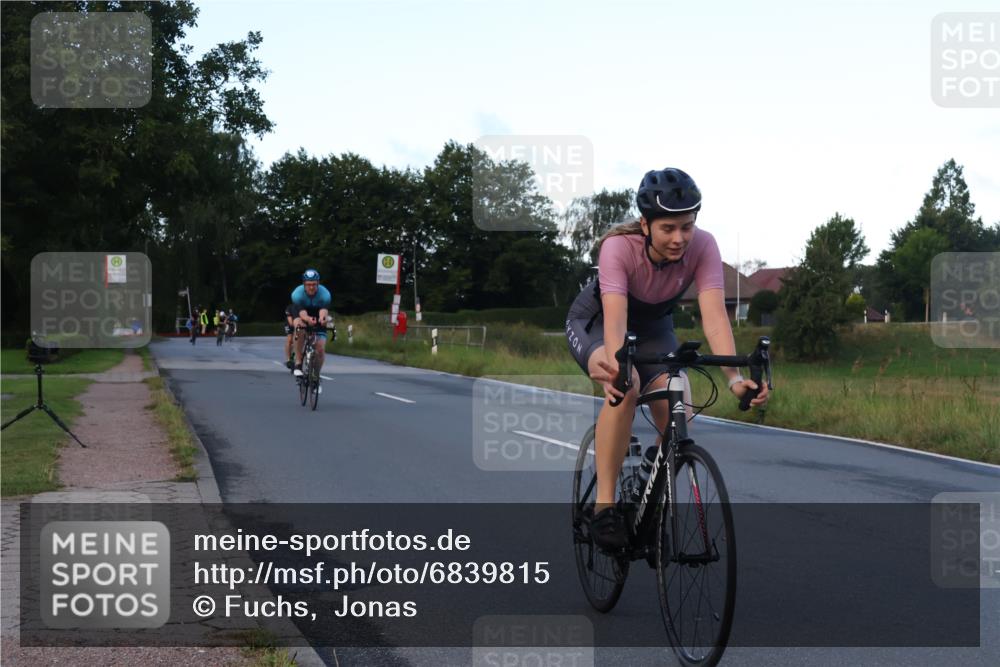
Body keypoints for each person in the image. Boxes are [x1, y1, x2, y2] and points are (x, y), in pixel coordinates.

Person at [565, 167, 770, 551]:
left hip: (655, 328)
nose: (679, 238)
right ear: (645, 225)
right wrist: (618, 370)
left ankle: (649, 487)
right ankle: (604, 507)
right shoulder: (619, 248)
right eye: (668, 228)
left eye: (687, 227)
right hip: (597, 323)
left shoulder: (704, 246)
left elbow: (714, 315)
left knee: (681, 405)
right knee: (626, 388)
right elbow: (616, 320)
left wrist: (733, 378)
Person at [290, 268, 331, 378]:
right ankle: (298, 362)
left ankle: (315, 376)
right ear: (304, 284)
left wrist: (322, 319)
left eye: (314, 284)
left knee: (320, 349)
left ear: (318, 283)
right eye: (308, 285)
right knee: (299, 327)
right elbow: (302, 313)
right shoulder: (297, 294)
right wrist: (308, 319)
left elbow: (323, 310)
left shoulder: (325, 294)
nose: (311, 287)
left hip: (317, 312)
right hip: (301, 312)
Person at [283, 303, 298, 369]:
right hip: (290, 324)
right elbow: (291, 322)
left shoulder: (305, 306)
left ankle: (295, 356)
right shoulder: (290, 307)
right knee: (290, 339)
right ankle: (289, 359)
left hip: (299, 324)